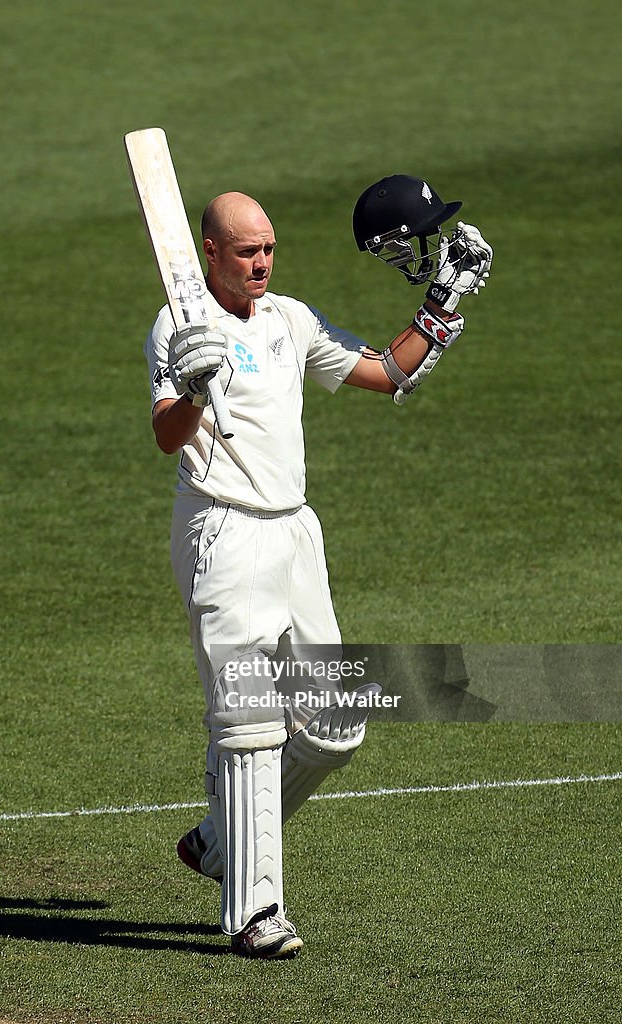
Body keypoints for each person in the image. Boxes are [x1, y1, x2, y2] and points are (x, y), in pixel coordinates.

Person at [144, 178, 492, 958]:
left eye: (268, 248)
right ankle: (253, 915)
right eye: (245, 251)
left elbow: (385, 373)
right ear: (209, 253)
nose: (261, 262)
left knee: (336, 726)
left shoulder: (289, 319)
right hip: (223, 533)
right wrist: (194, 390)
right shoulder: (176, 325)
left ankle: (214, 842)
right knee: (250, 726)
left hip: (296, 535)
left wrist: (438, 309)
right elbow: (168, 435)